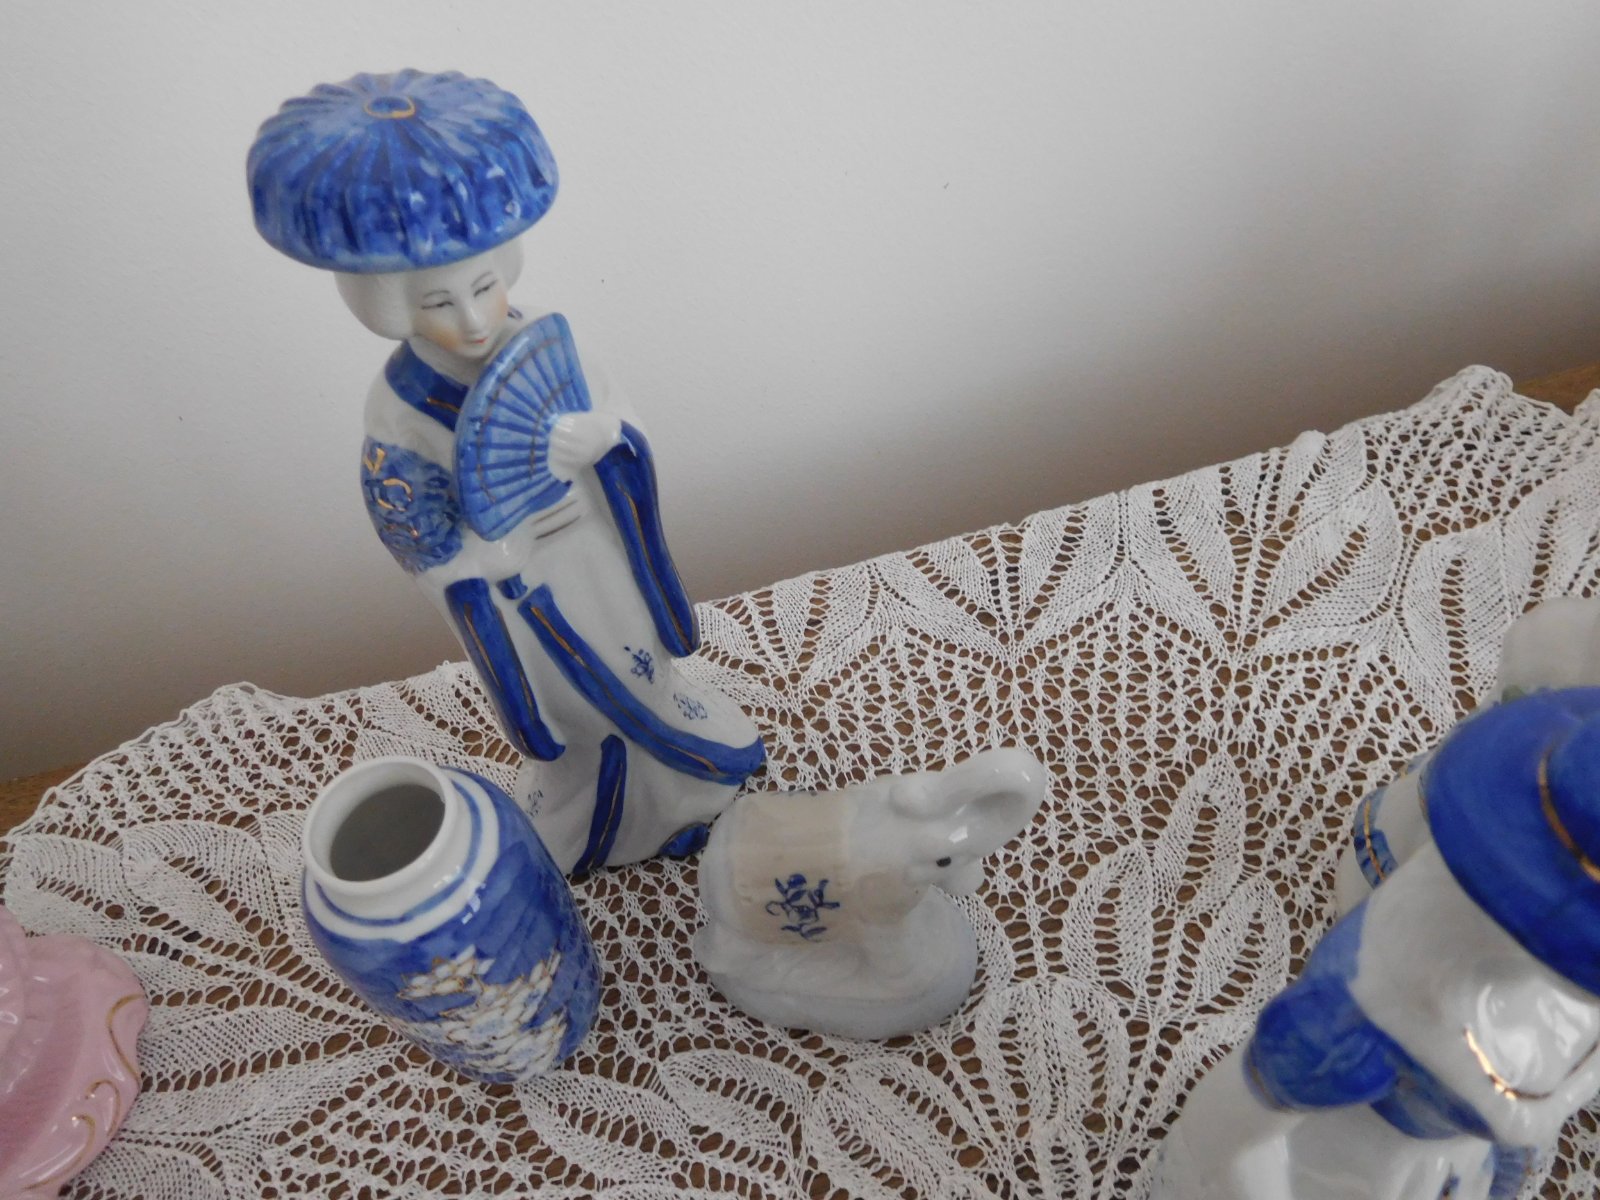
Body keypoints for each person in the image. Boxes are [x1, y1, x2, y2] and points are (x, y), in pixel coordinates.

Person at [249, 70, 764, 873]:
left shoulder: (552, 344)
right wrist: (483, 556)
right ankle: (605, 821)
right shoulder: (398, 412)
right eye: (438, 303)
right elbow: (415, 536)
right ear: (387, 306)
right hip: (521, 593)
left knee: (646, 675)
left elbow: (622, 425)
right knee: (581, 717)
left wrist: (603, 441)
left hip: (597, 551)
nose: (472, 318)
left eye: (484, 287)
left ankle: (689, 793)